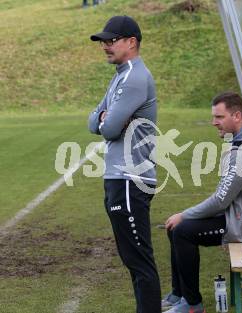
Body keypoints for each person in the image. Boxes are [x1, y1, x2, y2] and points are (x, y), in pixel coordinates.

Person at [162, 92, 242, 313]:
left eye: (219, 117)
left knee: (182, 230)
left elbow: (220, 200)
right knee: (175, 228)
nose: (213, 122)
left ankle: (192, 304)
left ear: (236, 116)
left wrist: (185, 214)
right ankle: (178, 295)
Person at [87, 16, 161, 313]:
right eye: (104, 41)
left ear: (132, 42)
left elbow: (108, 128)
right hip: (120, 178)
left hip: (130, 178)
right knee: (134, 260)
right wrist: (104, 117)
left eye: (111, 40)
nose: (106, 46)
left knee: (139, 260)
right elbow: (95, 120)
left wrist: (106, 118)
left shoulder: (133, 77)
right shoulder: (121, 74)